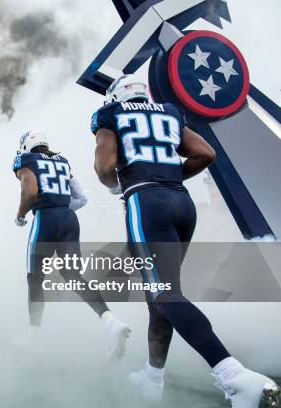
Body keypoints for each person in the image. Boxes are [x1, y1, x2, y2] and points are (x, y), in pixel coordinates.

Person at [92, 74, 280, 407]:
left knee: (163, 294)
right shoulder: (168, 112)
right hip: (182, 204)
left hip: (146, 203)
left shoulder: (111, 115)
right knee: (161, 296)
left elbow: (106, 165)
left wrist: (119, 185)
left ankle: (233, 375)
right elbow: (205, 153)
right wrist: (169, 176)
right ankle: (153, 379)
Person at [13, 130, 131, 361]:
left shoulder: (25, 160)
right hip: (69, 219)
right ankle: (110, 322)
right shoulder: (63, 162)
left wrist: (20, 214)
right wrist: (62, 212)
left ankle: (34, 338)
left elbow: (30, 190)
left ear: (27, 145)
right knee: (73, 275)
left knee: (35, 279)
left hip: (46, 219)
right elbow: (82, 198)